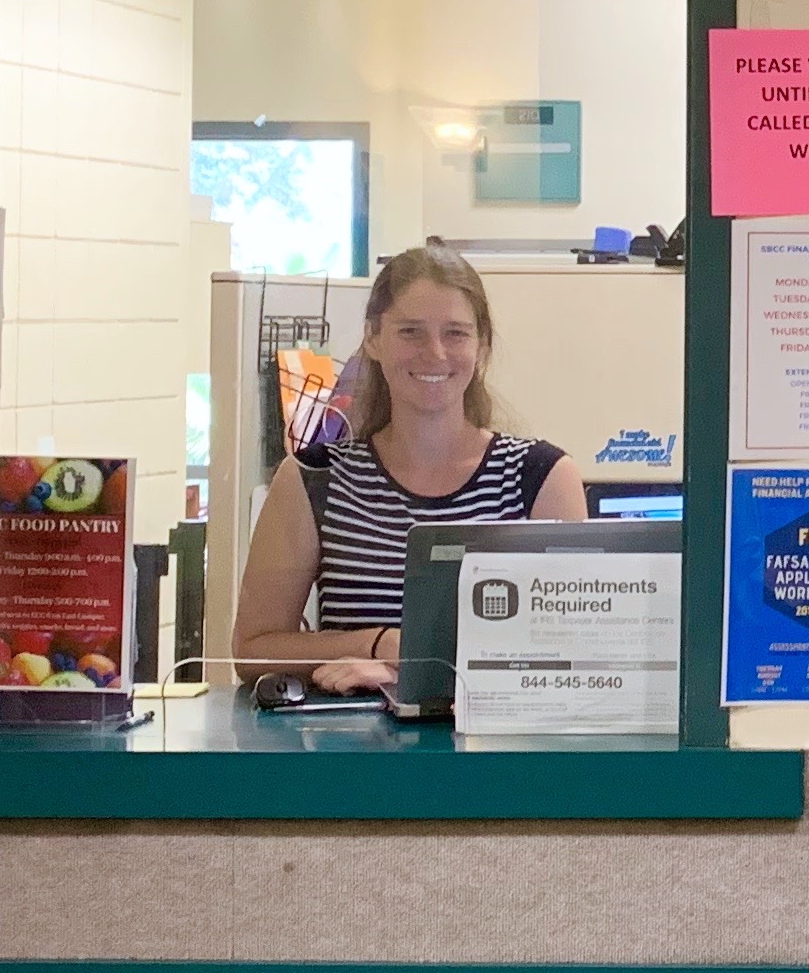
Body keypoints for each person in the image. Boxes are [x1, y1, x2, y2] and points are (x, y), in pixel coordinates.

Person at [231, 240, 587, 691]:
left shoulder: (541, 478)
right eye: (410, 332)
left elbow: (575, 653)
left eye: (455, 333)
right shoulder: (314, 479)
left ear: (481, 345)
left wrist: (410, 667)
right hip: (351, 735)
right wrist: (377, 644)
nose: (434, 353)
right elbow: (252, 650)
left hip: (493, 737)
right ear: (373, 338)